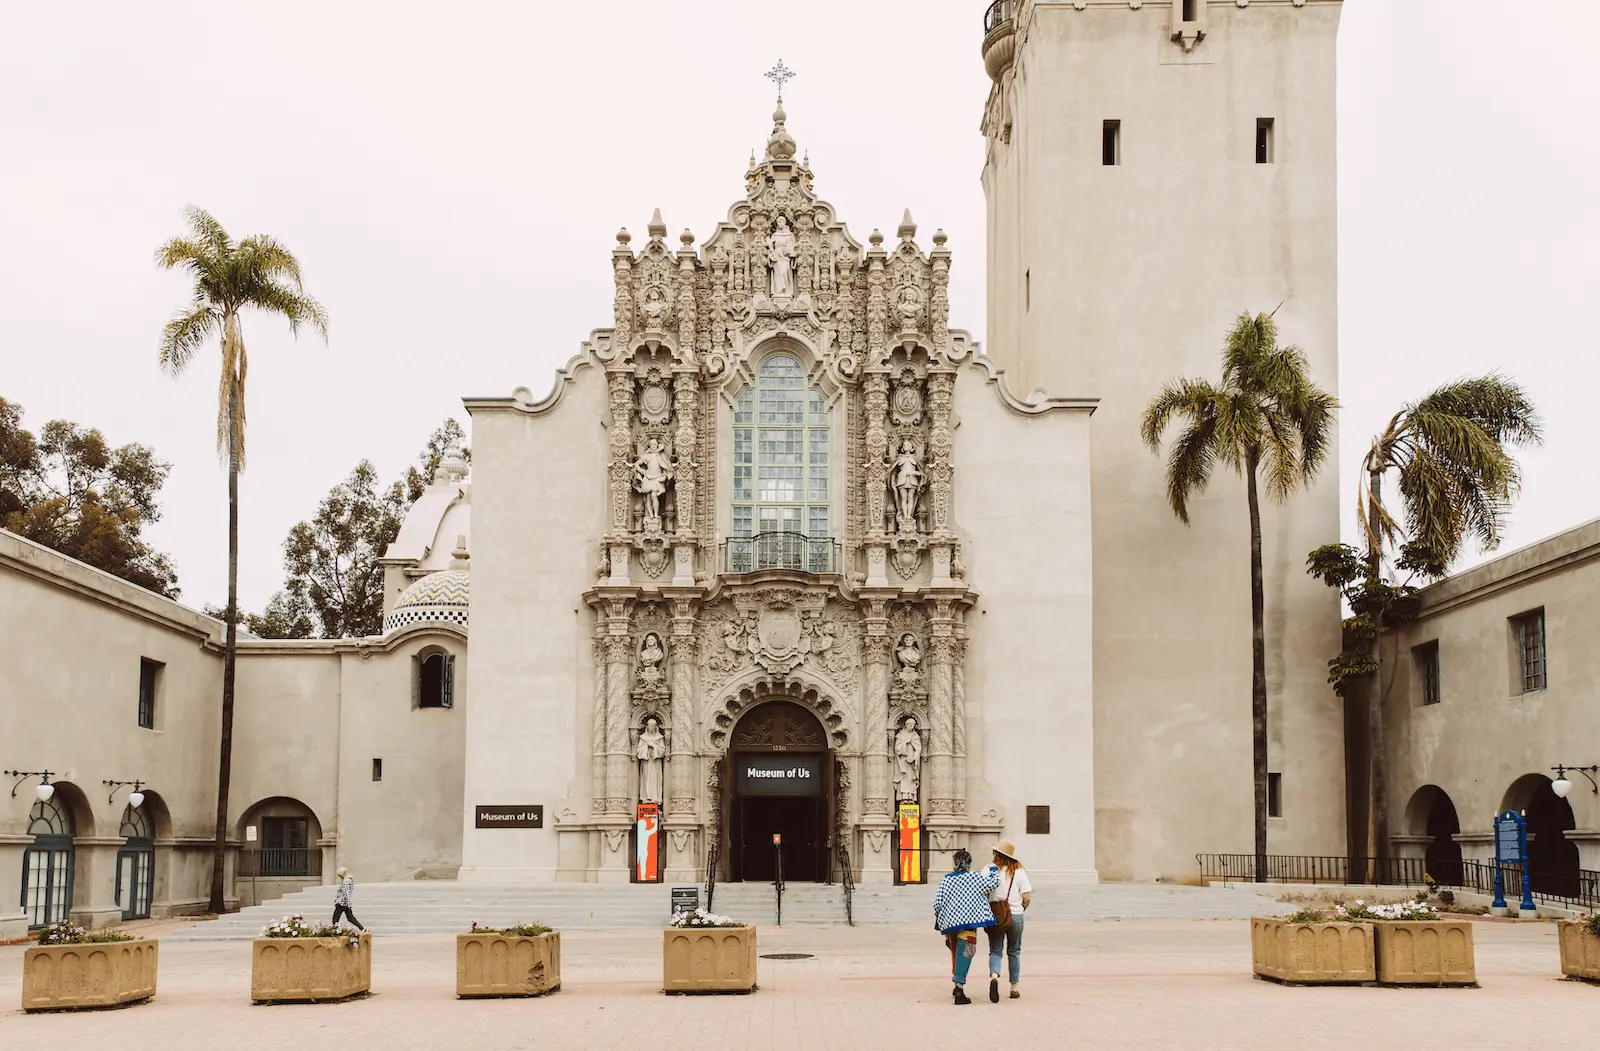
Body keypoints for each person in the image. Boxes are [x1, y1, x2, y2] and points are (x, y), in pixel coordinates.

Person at [931, 847, 998, 1004]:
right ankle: (959, 988)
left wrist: (943, 919)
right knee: (966, 952)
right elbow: (993, 883)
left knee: (955, 951)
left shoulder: (947, 880)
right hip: (968, 923)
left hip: (950, 925)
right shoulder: (975, 877)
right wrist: (994, 868)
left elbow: (937, 904)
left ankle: (956, 984)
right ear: (969, 863)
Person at [985, 840, 1032, 1001]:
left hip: (996, 915)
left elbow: (982, 892)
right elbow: (1027, 896)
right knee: (1014, 951)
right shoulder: (1018, 871)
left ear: (996, 854)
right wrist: (1019, 908)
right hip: (1016, 915)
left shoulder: (988, 869)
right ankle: (1014, 987)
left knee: (995, 950)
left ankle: (994, 976)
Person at [331, 866, 366, 931]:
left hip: (342, 903)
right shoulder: (349, 880)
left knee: (335, 918)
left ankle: (334, 930)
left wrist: (348, 903)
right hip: (345, 903)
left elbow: (346, 892)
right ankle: (362, 928)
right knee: (350, 918)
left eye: (339, 874)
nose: (339, 876)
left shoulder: (345, 881)